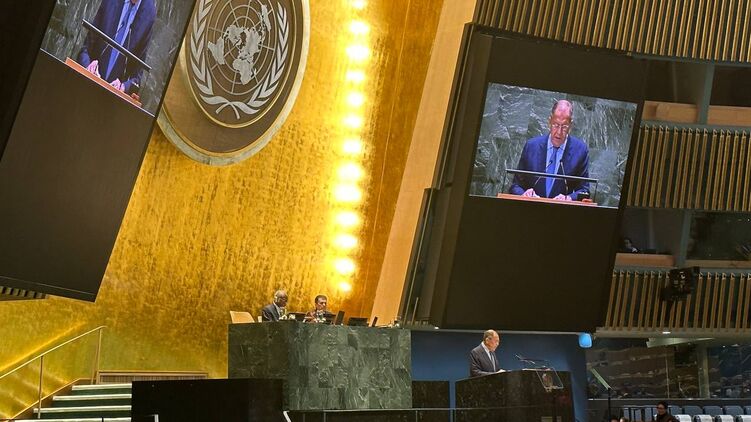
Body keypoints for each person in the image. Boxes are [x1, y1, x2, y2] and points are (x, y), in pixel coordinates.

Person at [509, 100, 590, 201]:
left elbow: (584, 191)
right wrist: (524, 194)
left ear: (570, 126)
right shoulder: (531, 147)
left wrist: (568, 198)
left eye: (564, 126)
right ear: (549, 121)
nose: (559, 132)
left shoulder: (580, 151)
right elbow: (515, 186)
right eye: (556, 125)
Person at [77, 0, 156, 95]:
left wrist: (123, 87)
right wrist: (88, 67)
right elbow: (85, 48)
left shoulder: (149, 13)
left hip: (111, 98)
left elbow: (137, 78)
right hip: (86, 85)